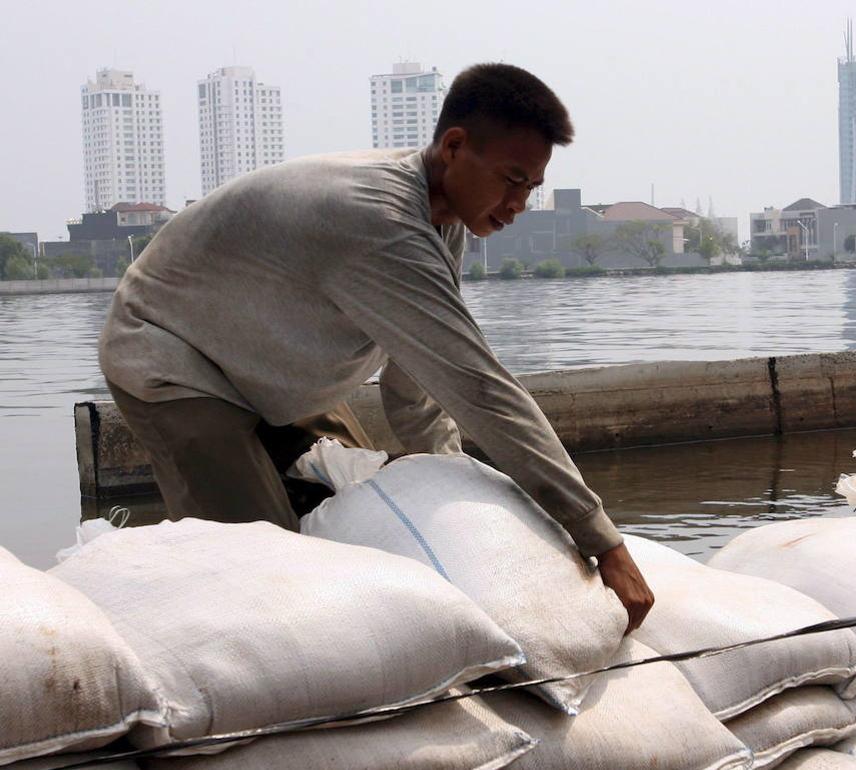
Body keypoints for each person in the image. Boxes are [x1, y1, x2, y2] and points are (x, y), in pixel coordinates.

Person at [98, 62, 654, 632]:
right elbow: (480, 389)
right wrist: (601, 538)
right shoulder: (380, 222)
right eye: (511, 180)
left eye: (531, 188)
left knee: (365, 506)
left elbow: (418, 385)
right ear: (454, 147)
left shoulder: (446, 222)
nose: (519, 204)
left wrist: (453, 478)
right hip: (173, 358)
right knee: (271, 581)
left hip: (270, 367)